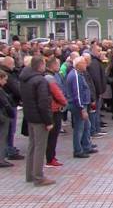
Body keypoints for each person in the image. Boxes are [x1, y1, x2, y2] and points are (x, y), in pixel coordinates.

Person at [20, 56, 54, 186]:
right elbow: (43, 102)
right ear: (40, 65)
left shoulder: (24, 78)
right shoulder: (40, 80)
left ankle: (30, 174)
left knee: (32, 146)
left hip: (29, 115)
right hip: (39, 118)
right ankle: (39, 177)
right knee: (40, 147)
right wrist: (48, 121)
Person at [67, 56, 96, 158]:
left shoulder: (80, 74)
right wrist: (82, 109)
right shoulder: (75, 76)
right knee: (79, 128)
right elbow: (77, 94)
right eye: (84, 63)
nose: (86, 65)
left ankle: (86, 146)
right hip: (78, 106)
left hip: (83, 104)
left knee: (86, 126)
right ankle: (78, 150)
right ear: (78, 65)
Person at [44, 57, 67, 167]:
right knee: (52, 136)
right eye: (57, 64)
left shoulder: (49, 76)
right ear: (53, 65)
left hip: (52, 108)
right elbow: (57, 93)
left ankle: (51, 156)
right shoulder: (50, 78)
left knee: (51, 136)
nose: (59, 66)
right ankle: (50, 158)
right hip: (54, 109)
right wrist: (64, 102)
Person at [0, 56, 24, 160]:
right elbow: (16, 90)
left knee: (8, 130)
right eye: (13, 64)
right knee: (9, 130)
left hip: (10, 104)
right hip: (9, 106)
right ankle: (8, 150)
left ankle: (7, 149)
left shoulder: (9, 74)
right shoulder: (8, 76)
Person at [0, 70, 15, 168]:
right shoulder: (1, 92)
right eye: (4, 80)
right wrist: (11, 113)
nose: (5, 82)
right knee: (2, 138)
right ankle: (1, 159)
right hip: (2, 116)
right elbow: (6, 103)